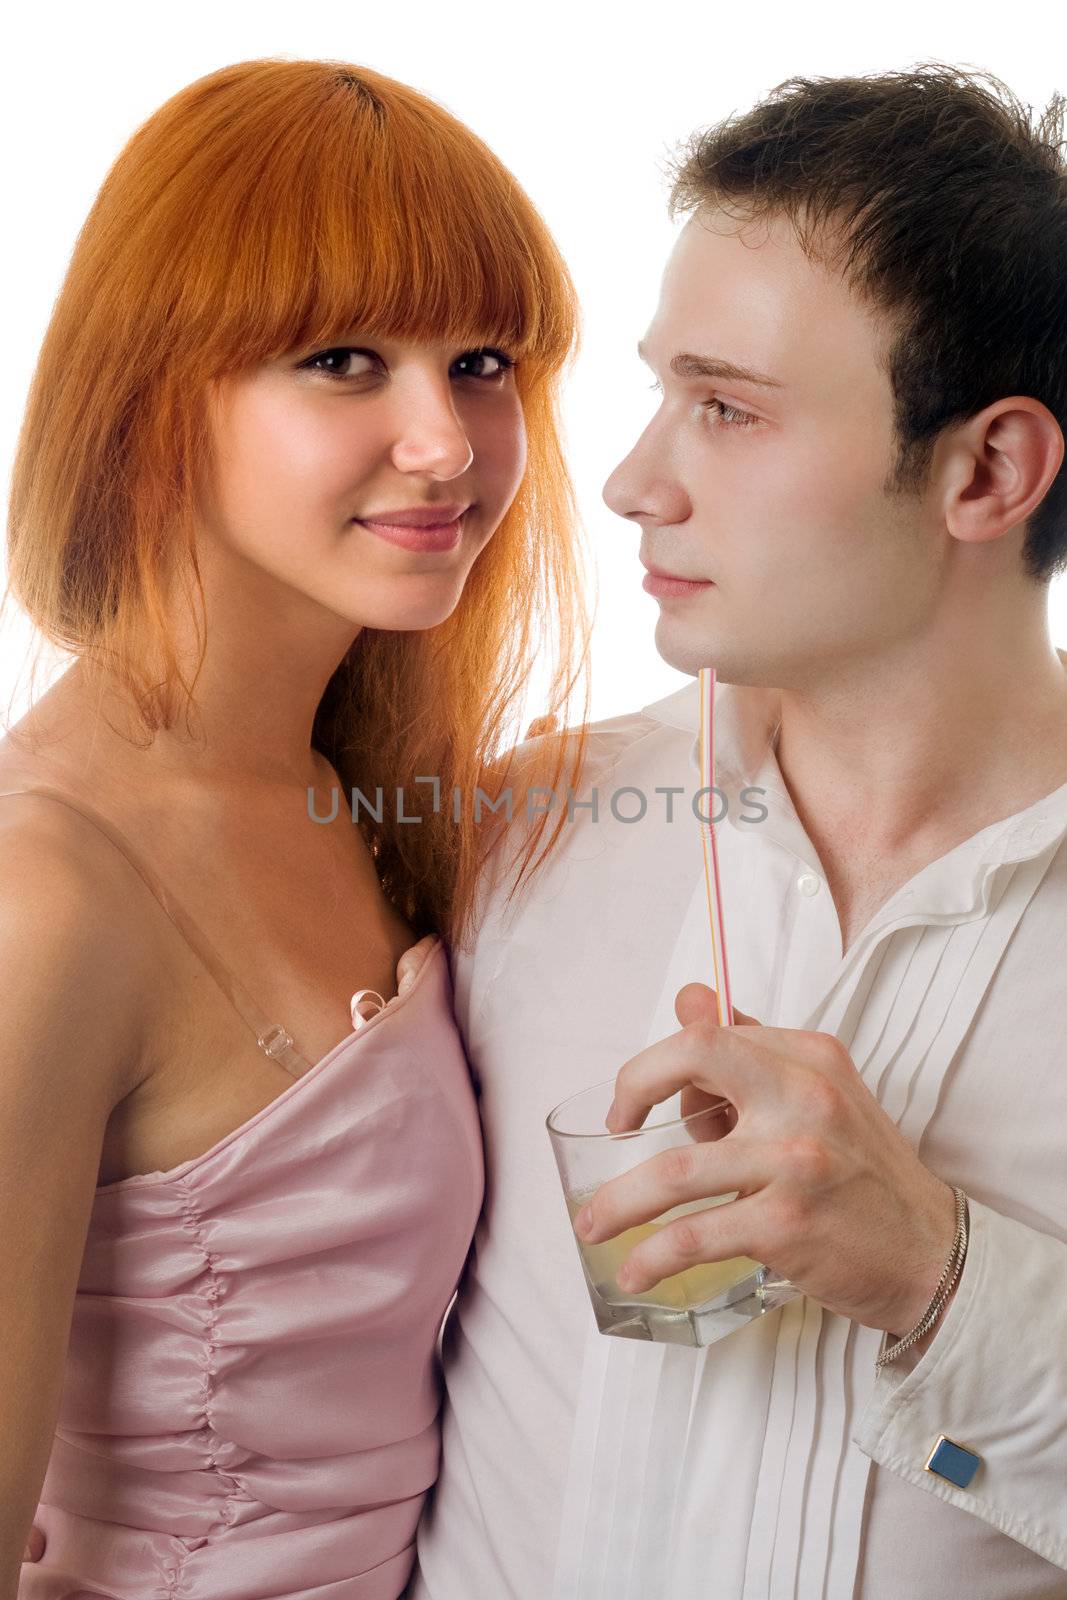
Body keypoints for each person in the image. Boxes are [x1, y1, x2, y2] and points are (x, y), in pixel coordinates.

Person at [411, 65, 1067, 1598]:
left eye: (726, 408)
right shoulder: (514, 838)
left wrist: (941, 1278)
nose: (635, 484)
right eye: (659, 395)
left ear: (985, 470)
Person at [1, 56, 590, 1600]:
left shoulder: (377, 789)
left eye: (482, 361)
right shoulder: (46, 888)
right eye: (343, 359)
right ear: (151, 391)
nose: (450, 442)